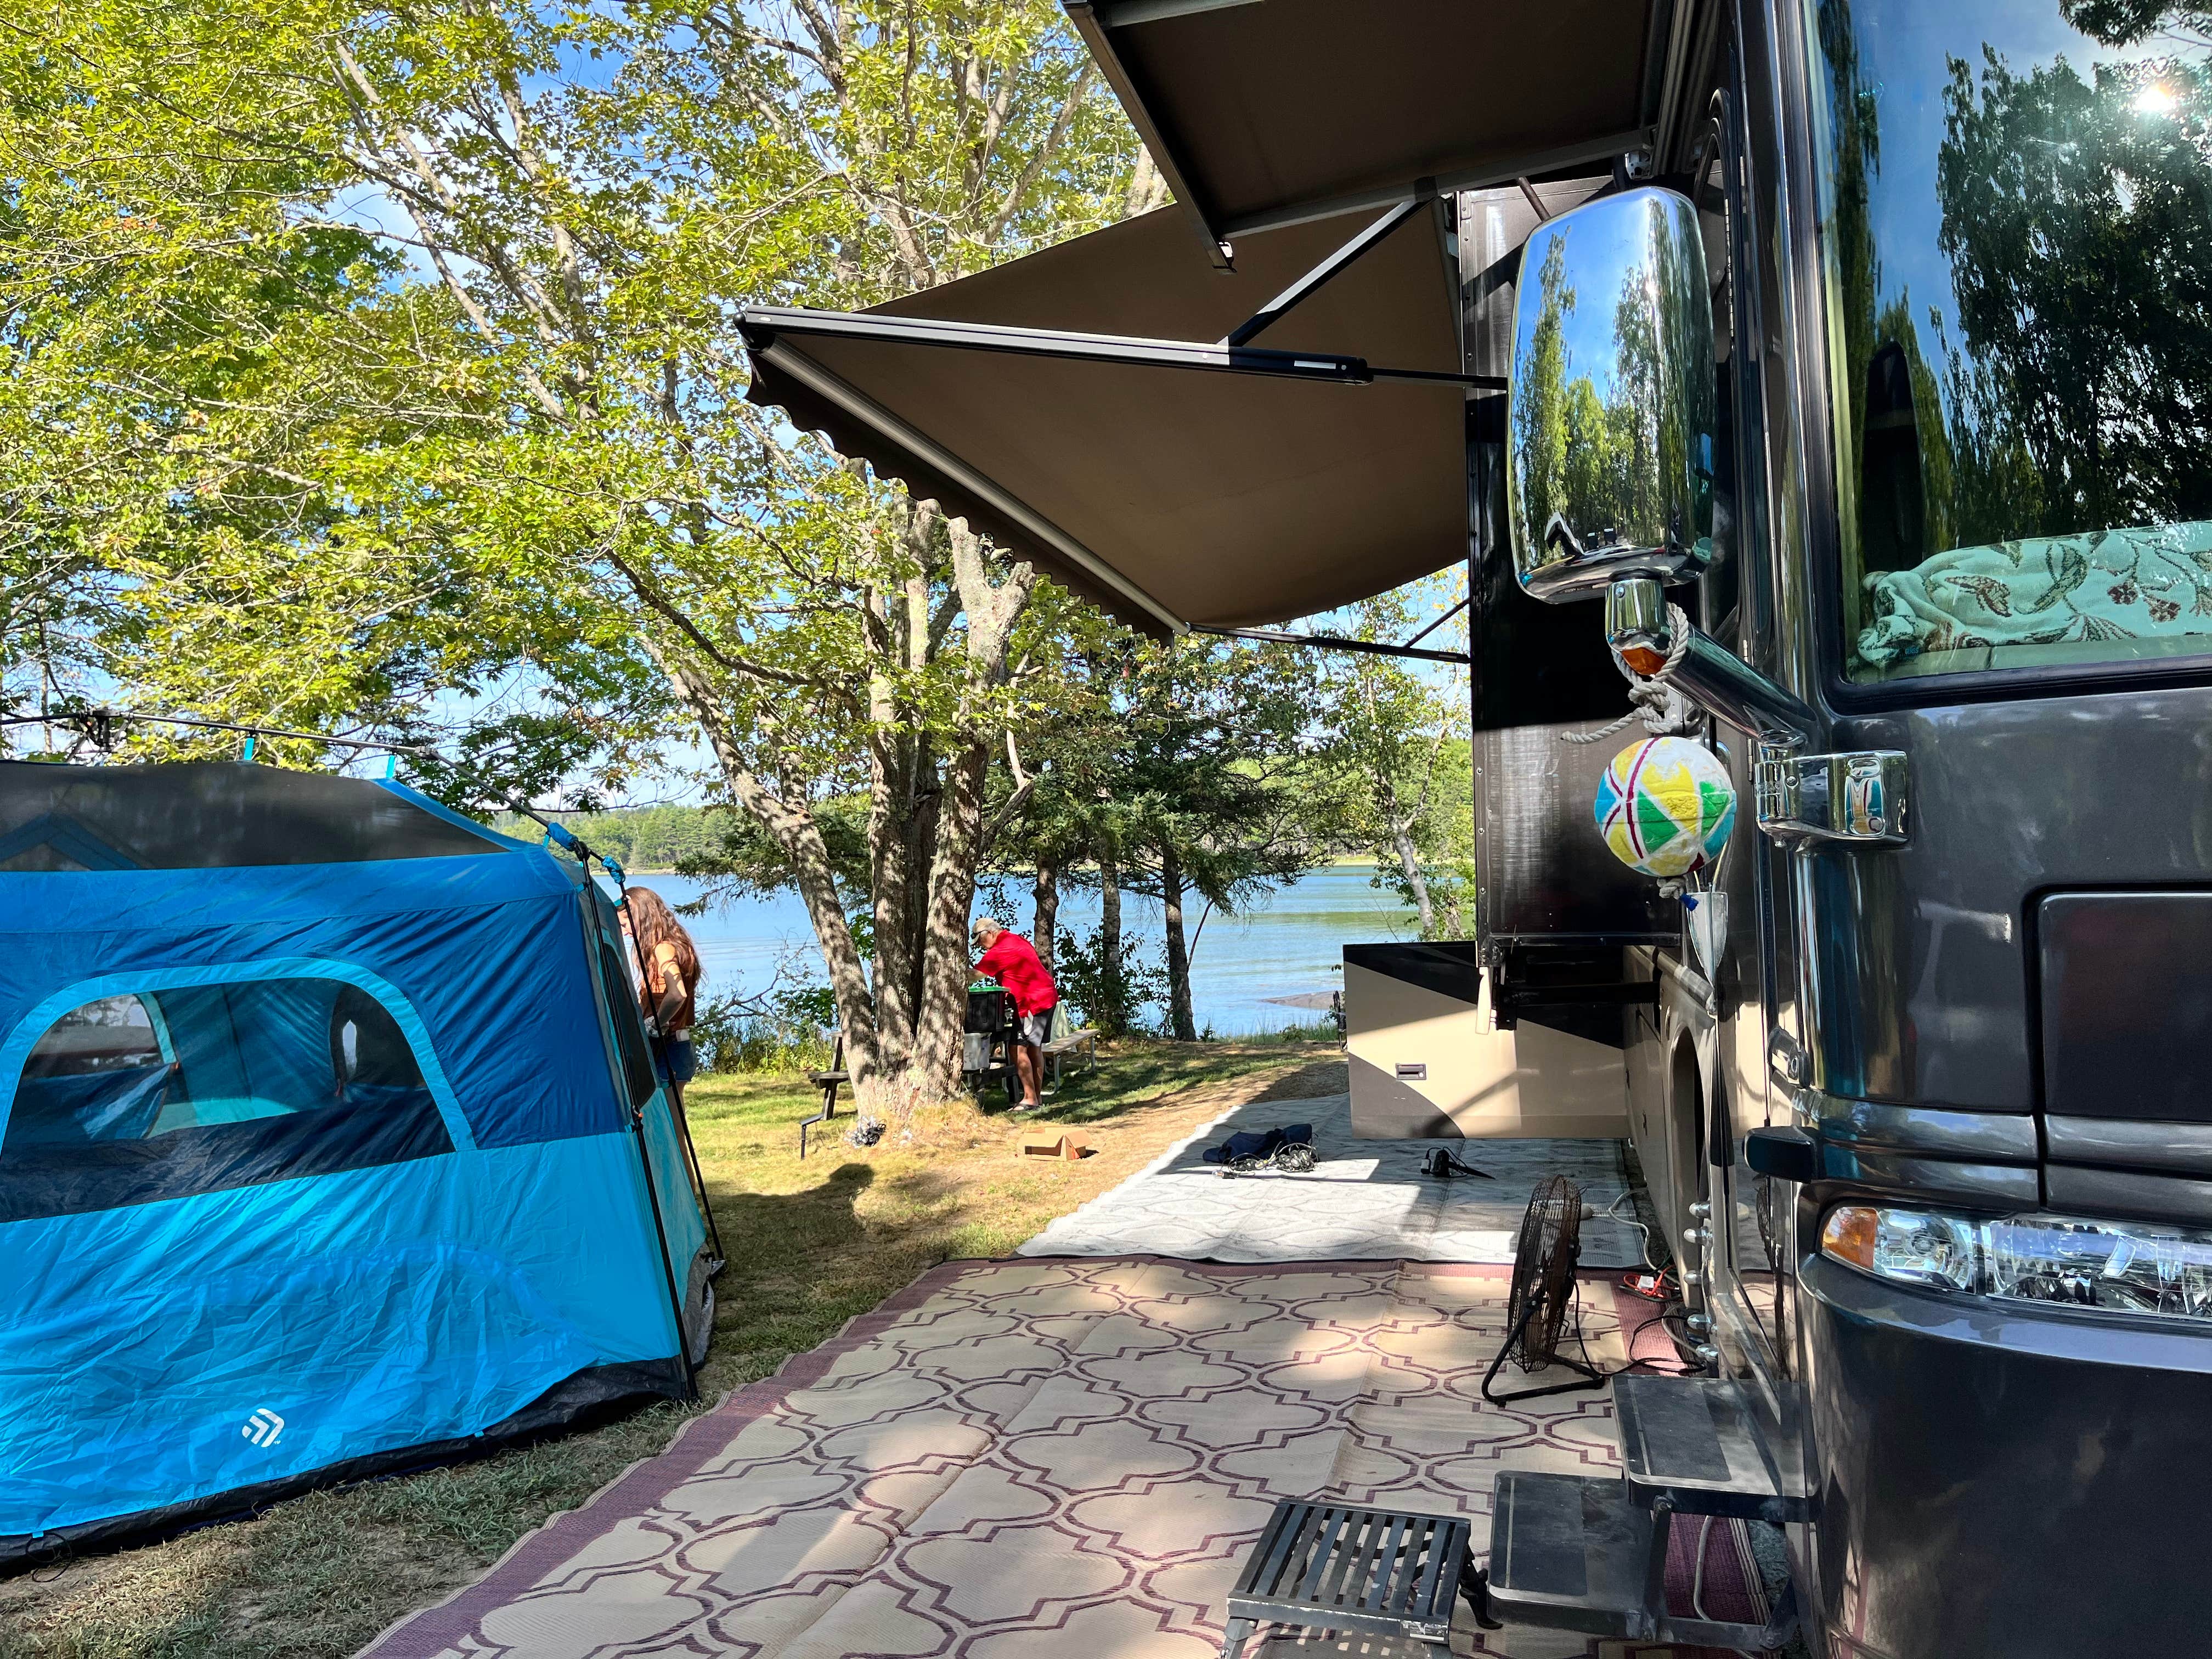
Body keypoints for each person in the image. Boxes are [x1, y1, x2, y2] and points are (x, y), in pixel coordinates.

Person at [620, 887, 702, 1107]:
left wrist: (655, 1023)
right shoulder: (679, 943)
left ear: (639, 916)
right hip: (678, 1047)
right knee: (671, 1129)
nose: (626, 932)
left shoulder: (663, 948)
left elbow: (677, 994)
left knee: (669, 1132)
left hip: (667, 1049)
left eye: (625, 924)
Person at [971, 916, 1058, 1109]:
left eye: (981, 941)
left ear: (991, 934)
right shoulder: (1015, 940)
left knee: (1018, 1049)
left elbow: (974, 976)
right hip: (1043, 998)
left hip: (1032, 1003)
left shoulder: (1001, 950)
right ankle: (1036, 1099)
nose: (980, 947)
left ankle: (1030, 1099)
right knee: (1033, 1048)